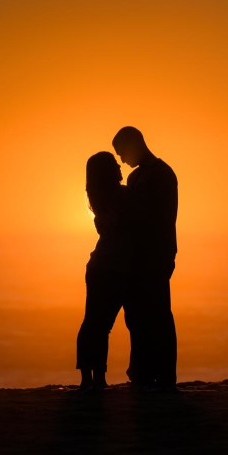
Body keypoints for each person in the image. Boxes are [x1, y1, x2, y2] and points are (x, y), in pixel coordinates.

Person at [112, 126, 178, 390]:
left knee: (158, 315)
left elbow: (158, 218)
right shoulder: (138, 177)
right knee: (138, 316)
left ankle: (164, 375)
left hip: (156, 254)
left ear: (135, 144)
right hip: (138, 256)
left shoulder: (161, 174)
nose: (122, 160)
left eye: (122, 153)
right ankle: (142, 371)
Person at [75, 151, 134, 391]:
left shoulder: (99, 199)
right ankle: (95, 378)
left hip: (103, 268)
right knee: (98, 326)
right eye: (113, 164)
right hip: (110, 269)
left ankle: (92, 378)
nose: (120, 166)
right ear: (106, 172)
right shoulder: (120, 196)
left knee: (95, 325)